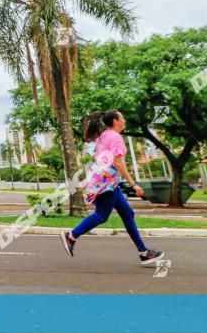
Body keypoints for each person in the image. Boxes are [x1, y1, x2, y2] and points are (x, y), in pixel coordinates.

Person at [61, 110, 164, 267]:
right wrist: (133, 183)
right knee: (102, 216)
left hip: (108, 181)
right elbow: (117, 162)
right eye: (122, 117)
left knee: (128, 213)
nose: (125, 120)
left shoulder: (105, 135)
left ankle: (144, 253)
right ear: (116, 121)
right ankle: (71, 236)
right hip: (105, 183)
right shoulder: (114, 137)